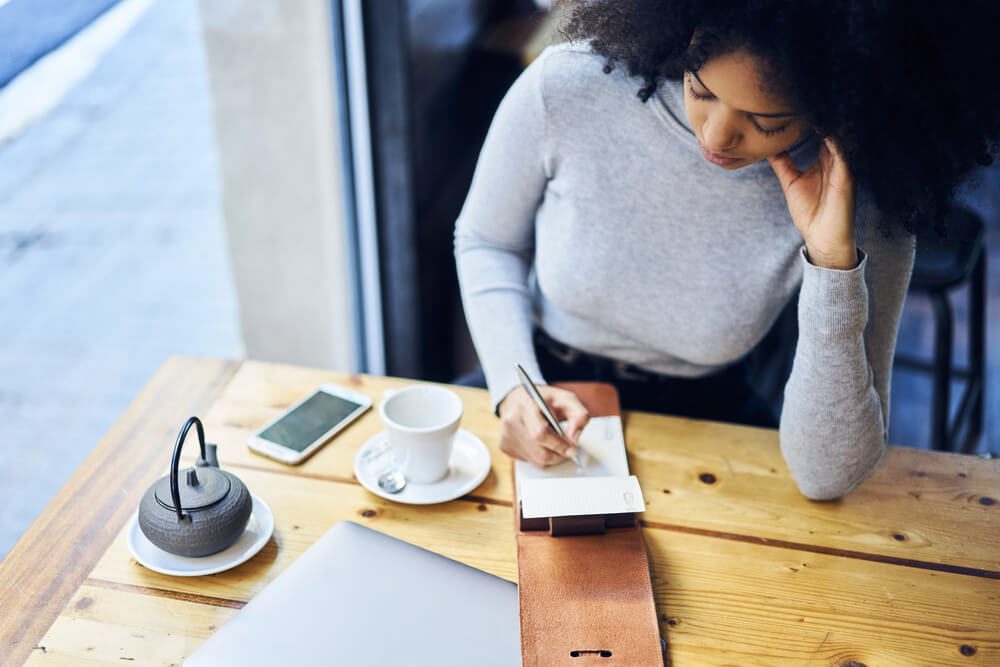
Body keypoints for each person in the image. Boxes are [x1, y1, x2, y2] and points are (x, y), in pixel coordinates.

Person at [453, 0, 1000, 499]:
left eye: (767, 122)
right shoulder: (568, 87)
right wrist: (512, 385)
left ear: (836, 105)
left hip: (708, 417)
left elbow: (828, 474)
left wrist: (833, 262)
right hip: (537, 378)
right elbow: (486, 241)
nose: (715, 138)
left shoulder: (863, 197)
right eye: (700, 90)